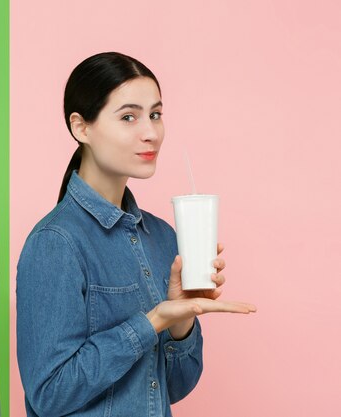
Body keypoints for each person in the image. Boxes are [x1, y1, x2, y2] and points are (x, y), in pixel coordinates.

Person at [16, 52, 256, 417]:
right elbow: (49, 394)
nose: (150, 133)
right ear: (81, 127)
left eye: (155, 115)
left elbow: (176, 386)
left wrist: (181, 321)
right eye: (129, 117)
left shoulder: (162, 237)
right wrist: (152, 321)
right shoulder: (55, 243)